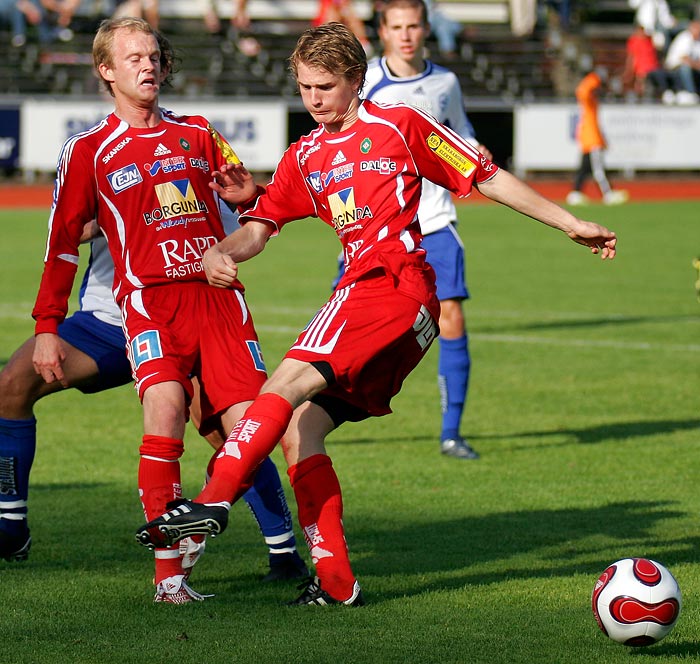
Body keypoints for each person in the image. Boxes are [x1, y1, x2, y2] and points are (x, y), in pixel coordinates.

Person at [136, 21, 617, 607]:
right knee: (298, 430)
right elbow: (260, 226)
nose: (313, 99)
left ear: (357, 80)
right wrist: (221, 249)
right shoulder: (305, 156)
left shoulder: (401, 125)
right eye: (305, 87)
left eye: (326, 87)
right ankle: (336, 581)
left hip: (392, 288)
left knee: (283, 383)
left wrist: (571, 222)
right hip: (388, 309)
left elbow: (486, 177)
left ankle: (211, 502)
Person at [28, 16, 307, 603]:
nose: (148, 66)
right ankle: (170, 582)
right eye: (133, 58)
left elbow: (256, 211)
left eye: (153, 55)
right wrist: (48, 327)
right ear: (106, 71)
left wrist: (251, 196)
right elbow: (60, 246)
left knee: (249, 432)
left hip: (220, 301)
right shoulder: (88, 151)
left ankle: (232, 527)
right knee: (164, 410)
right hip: (150, 302)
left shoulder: (203, 133)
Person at [0, 229, 308, 581]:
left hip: (179, 313)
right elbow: (73, 228)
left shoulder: (202, 171)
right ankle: (11, 525)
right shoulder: (91, 170)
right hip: (108, 320)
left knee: (234, 438)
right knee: (11, 386)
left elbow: (237, 225)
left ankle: (283, 554)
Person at [353, 0, 490, 459]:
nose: (406, 35)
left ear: (426, 29)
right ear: (382, 32)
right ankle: (312, 410)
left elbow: (460, 131)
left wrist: (473, 148)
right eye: (397, 27)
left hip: (433, 219)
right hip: (373, 227)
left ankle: (451, 433)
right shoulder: (366, 80)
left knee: (451, 315)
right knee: (350, 325)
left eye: (414, 26)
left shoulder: (445, 82)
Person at [566, 67, 629, 206]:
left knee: (584, 168)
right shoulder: (588, 95)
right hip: (592, 138)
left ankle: (575, 193)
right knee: (598, 169)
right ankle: (607, 193)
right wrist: (594, 80)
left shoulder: (590, 101)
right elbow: (583, 91)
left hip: (589, 137)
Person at [623, 21, 673, 100]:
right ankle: (641, 94)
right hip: (642, 70)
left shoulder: (651, 40)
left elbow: (659, 52)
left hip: (654, 68)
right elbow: (631, 58)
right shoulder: (634, 41)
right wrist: (629, 71)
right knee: (641, 77)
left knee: (661, 75)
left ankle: (664, 93)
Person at [664, 19, 700, 105]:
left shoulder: (698, 41)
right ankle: (690, 92)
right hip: (674, 69)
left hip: (691, 68)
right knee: (685, 68)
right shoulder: (685, 38)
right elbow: (685, 59)